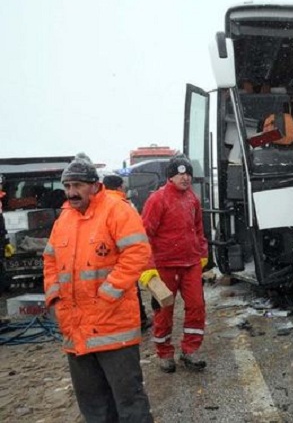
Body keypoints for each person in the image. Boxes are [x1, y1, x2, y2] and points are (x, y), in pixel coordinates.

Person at [43, 153, 153, 422]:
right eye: (67, 186)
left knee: (129, 403)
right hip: (75, 329)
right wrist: (55, 299)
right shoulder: (64, 220)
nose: (71, 192)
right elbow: (50, 259)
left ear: (94, 185)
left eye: (77, 185)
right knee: (93, 406)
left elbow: (137, 252)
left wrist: (109, 293)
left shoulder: (116, 210)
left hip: (112, 326)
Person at [141, 154, 209, 373]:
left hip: (190, 264)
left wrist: (202, 253)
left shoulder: (192, 199)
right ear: (170, 177)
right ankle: (164, 353)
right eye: (180, 174)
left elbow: (199, 229)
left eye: (188, 173)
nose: (185, 178)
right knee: (164, 311)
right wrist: (148, 267)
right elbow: (145, 235)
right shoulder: (157, 199)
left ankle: (190, 351)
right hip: (164, 266)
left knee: (197, 306)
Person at [103, 174, 151, 332]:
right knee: (130, 290)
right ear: (119, 187)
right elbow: (137, 238)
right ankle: (139, 320)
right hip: (123, 259)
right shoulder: (124, 206)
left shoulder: (96, 205)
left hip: (104, 260)